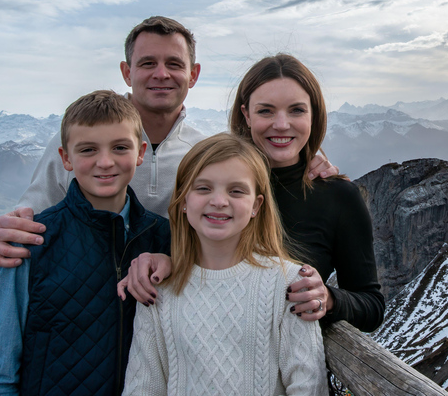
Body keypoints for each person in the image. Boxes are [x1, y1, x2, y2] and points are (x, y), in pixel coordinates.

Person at [0, 17, 337, 269]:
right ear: (127, 72)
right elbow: (30, 219)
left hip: (174, 309)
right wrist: (6, 230)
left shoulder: (205, 152)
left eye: (174, 63)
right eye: (147, 63)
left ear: (193, 74)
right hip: (89, 305)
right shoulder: (81, 145)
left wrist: (305, 159)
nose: (161, 74)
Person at [122, 54, 385, 332]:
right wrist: (167, 261)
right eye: (266, 111)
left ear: (314, 115)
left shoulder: (338, 196)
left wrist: (328, 299)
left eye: (296, 110)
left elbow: (371, 306)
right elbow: (194, 255)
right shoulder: (211, 179)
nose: (281, 124)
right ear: (246, 115)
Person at [0, 91, 171, 395]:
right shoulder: (31, 241)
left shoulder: (164, 238)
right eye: (88, 150)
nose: (105, 162)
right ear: (66, 158)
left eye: (120, 147)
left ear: (141, 152)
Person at [121, 133, 326, 395]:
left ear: (256, 205)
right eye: (203, 188)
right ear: (183, 200)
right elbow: (142, 387)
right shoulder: (158, 289)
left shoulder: (289, 284)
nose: (219, 201)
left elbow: (308, 385)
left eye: (236, 191)